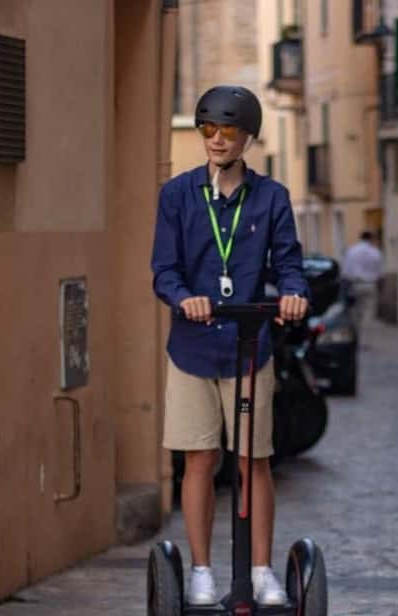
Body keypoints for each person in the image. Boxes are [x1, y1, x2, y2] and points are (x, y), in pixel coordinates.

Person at [150, 85, 309, 606]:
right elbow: (164, 269)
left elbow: (288, 263)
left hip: (248, 346)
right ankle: (200, 570)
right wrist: (183, 298)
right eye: (209, 130)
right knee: (199, 458)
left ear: (247, 137)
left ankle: (261, 571)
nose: (217, 140)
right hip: (192, 349)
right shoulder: (177, 195)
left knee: (252, 459)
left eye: (229, 131)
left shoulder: (271, 198)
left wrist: (292, 295)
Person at [342, 231, 383, 345]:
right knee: (368, 314)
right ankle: (364, 341)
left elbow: (345, 271)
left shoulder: (351, 251)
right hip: (370, 285)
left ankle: (356, 338)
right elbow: (379, 272)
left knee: (355, 313)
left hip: (354, 284)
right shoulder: (375, 252)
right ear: (371, 239)